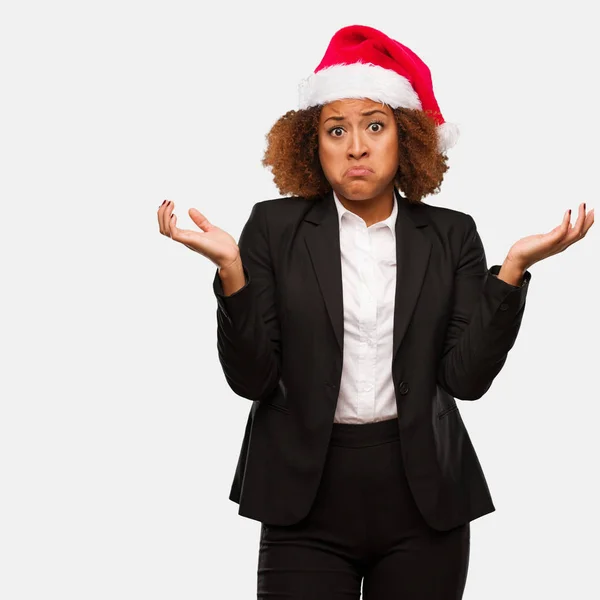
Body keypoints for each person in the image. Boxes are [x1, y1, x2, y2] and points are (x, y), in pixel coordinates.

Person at [157, 24, 594, 600]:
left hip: (423, 502)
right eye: (336, 129)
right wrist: (231, 274)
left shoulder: (452, 235)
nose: (355, 146)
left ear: (405, 138)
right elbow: (252, 379)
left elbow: (465, 380)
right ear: (312, 142)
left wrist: (510, 271)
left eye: (374, 126)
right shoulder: (272, 228)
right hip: (303, 503)